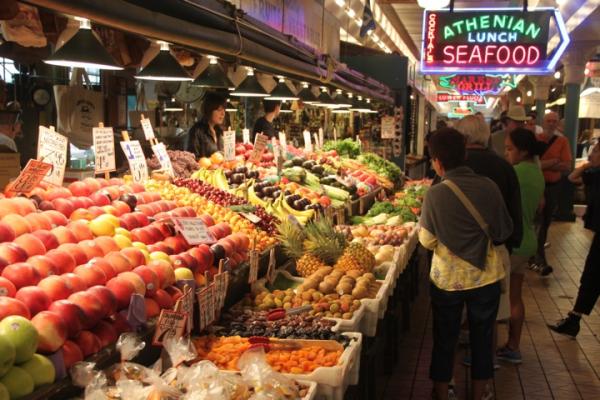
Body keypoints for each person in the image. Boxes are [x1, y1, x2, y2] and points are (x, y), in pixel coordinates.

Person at [419, 128, 513, 400]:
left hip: (447, 279)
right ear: (465, 155)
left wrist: (449, 242)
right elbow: (503, 230)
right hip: (485, 277)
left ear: (436, 160)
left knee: (445, 337)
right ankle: (480, 393)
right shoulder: (489, 186)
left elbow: (426, 240)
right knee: (482, 338)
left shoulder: (435, 193)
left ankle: (443, 389)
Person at [496, 128, 545, 364]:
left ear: (522, 150)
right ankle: (513, 347)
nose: (506, 153)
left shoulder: (514, 174)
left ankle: (488, 354)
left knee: (495, 299)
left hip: (512, 242)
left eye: (509, 149)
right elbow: (539, 207)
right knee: (515, 297)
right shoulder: (537, 172)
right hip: (528, 241)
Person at [548, 142, 600, 338]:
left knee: (592, 276)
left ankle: (574, 319)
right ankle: (574, 318)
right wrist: (588, 165)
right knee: (591, 276)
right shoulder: (593, 174)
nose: (591, 154)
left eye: (595, 151)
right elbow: (572, 177)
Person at [532, 111, 572, 275]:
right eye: (549, 121)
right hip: (535, 186)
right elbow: (533, 164)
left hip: (553, 187)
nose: (551, 124)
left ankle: (537, 257)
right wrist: (553, 162)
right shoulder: (536, 139)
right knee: (536, 221)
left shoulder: (562, 141)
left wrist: (543, 164)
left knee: (545, 222)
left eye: (554, 121)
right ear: (543, 122)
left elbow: (566, 166)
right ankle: (538, 258)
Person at [185, 92, 226, 159]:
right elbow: (191, 158)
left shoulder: (219, 131)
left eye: (224, 109)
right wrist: (210, 160)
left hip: (220, 169)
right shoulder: (196, 131)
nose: (223, 113)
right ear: (209, 110)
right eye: (219, 110)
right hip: (203, 169)